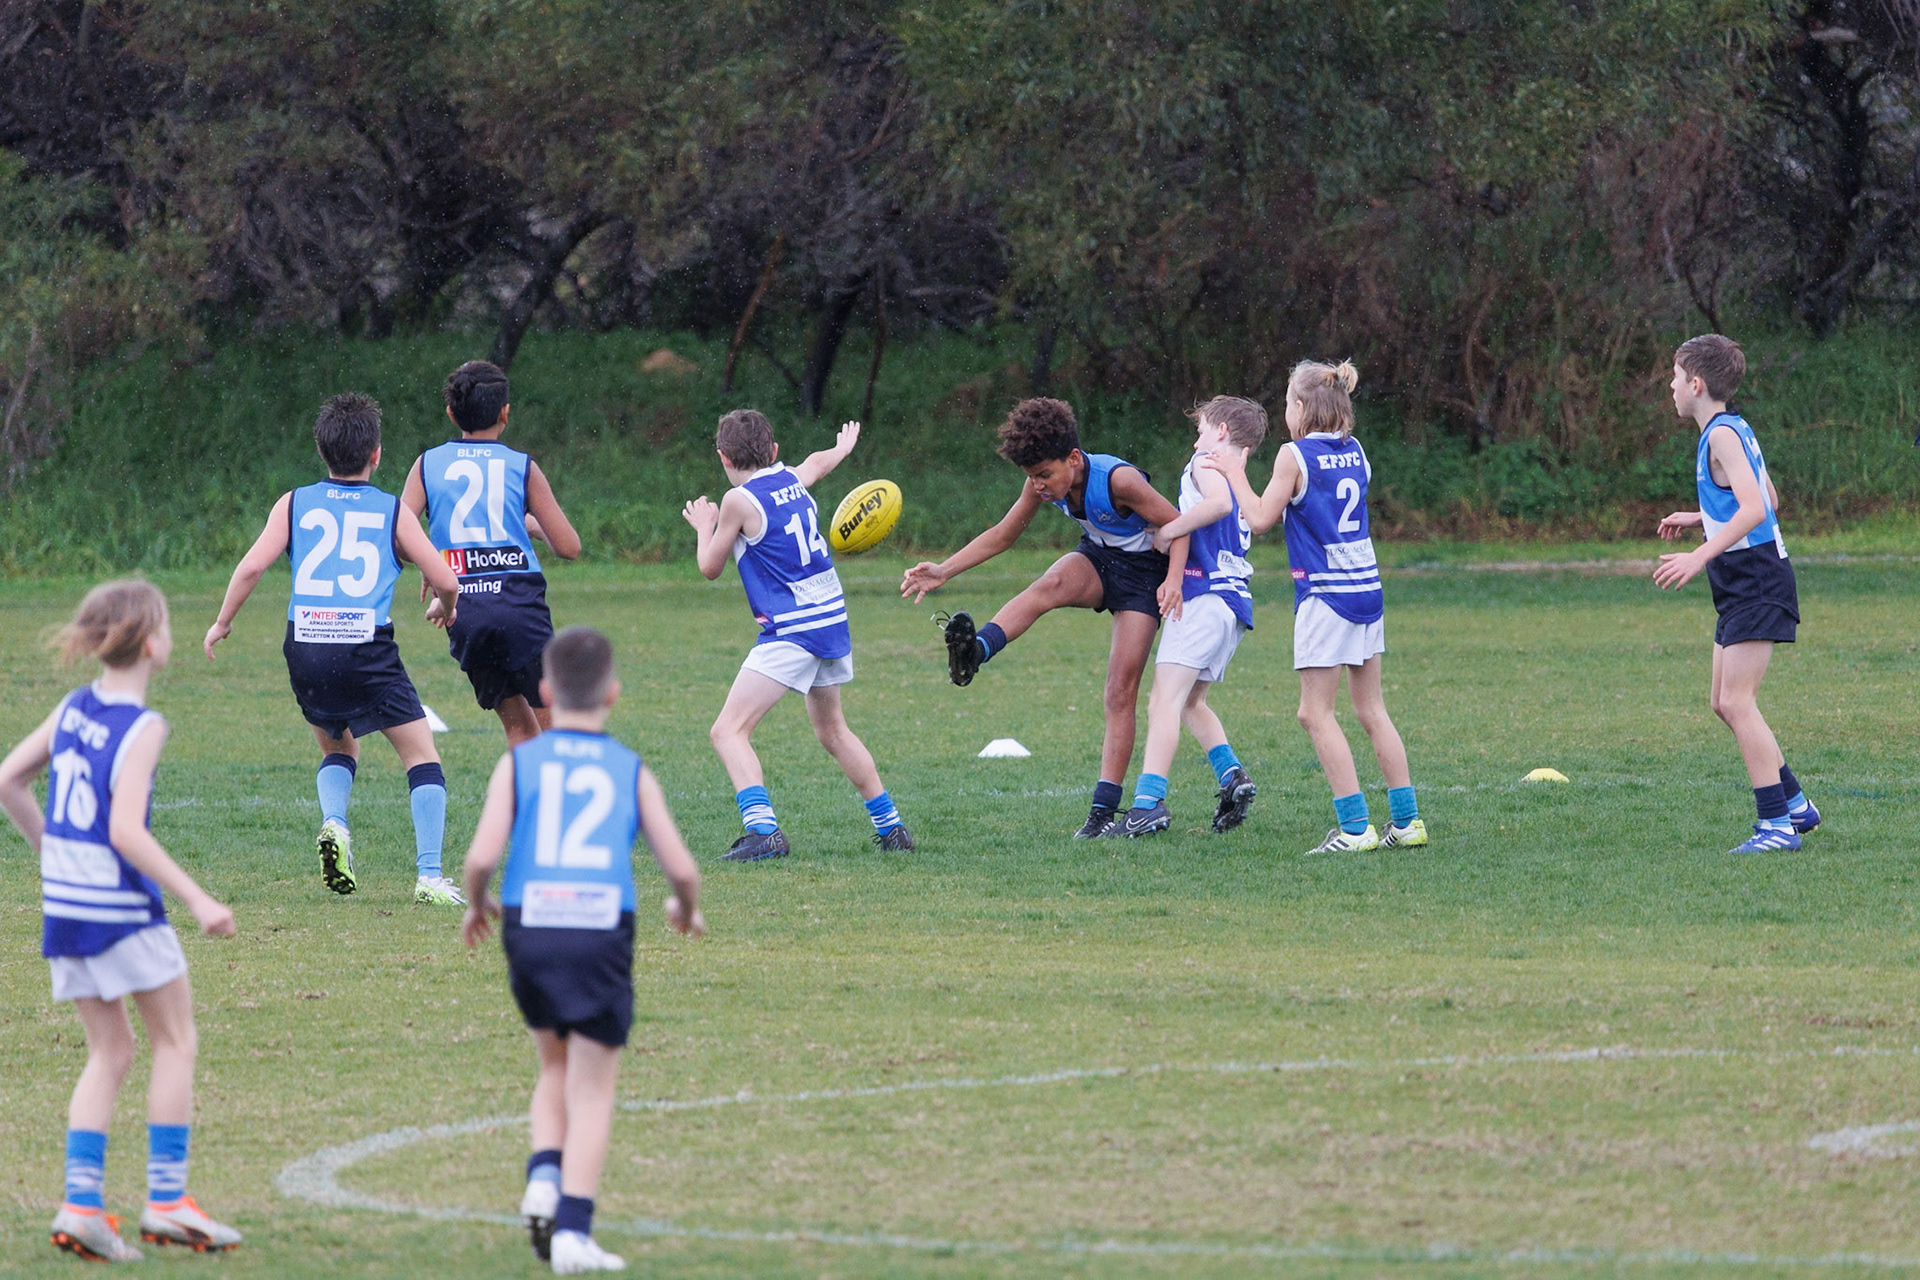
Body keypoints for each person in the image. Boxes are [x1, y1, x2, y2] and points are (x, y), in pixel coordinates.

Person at [0, 580, 241, 1262]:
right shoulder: (143, 726)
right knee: (175, 1041)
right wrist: (199, 900)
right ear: (152, 642)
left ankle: (81, 1206)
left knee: (109, 1053)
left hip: (67, 907)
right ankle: (166, 1201)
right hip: (119, 907)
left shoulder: (73, 708)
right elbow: (126, 832)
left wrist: (52, 853)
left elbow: (7, 780)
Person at [460, 626, 704, 1274]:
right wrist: (685, 908)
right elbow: (682, 869)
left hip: (530, 923)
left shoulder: (519, 763)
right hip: (600, 926)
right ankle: (573, 1231)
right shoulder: (629, 770)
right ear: (613, 694)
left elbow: (480, 858)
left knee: (553, 1065)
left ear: (545, 690)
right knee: (593, 1088)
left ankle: (544, 1178)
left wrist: (477, 903)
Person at [204, 391, 469, 904]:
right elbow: (445, 578)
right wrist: (447, 605)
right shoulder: (392, 510)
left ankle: (334, 823)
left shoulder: (294, 502)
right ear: (376, 454)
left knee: (340, 747)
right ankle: (430, 876)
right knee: (421, 755)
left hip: (305, 645)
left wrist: (223, 622)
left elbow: (253, 566)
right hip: (365, 648)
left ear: (321, 451)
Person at [900, 397, 1183, 838]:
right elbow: (1003, 535)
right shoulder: (1042, 482)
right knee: (1046, 586)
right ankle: (975, 653)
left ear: (1074, 458)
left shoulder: (1119, 481)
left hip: (1146, 578)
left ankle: (1102, 813)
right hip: (1100, 558)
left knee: (1119, 691)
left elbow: (1179, 524)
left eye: (1045, 475)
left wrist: (1176, 581)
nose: (1039, 485)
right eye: (1032, 476)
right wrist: (944, 570)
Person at [1206, 361, 1427, 855]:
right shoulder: (1356, 450)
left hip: (1326, 596)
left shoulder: (1294, 454)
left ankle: (1355, 829)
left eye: (1288, 402)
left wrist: (1235, 472)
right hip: (1367, 589)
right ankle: (1407, 822)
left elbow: (1259, 518)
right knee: (1372, 709)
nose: (1286, 411)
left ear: (1302, 407)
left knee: (1314, 713)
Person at [681, 410, 914, 860]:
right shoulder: (790, 478)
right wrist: (842, 449)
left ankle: (763, 832)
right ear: (773, 451)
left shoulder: (738, 501)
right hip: (830, 620)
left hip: (794, 629)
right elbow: (817, 464)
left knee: (728, 731)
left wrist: (704, 526)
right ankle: (892, 828)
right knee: (833, 731)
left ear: (723, 457)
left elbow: (709, 567)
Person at [1655, 333, 1818, 854]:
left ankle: (1776, 826)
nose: (1671, 386)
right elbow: (1767, 497)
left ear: (1696, 384)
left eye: (1675, 377)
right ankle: (1795, 806)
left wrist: (1698, 555)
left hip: (1756, 581)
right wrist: (1700, 516)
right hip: (1742, 583)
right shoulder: (1732, 427)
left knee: (1736, 701)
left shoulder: (1721, 435)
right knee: (1722, 702)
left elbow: (1756, 508)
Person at [402, 359, 582, 747]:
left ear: (452, 414)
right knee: (557, 731)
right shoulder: (520, 466)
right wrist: (532, 525)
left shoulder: (427, 464)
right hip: (520, 610)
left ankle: (524, 789)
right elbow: (569, 547)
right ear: (505, 413)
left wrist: (431, 562)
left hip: (467, 615)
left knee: (518, 729)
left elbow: (399, 536)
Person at [1107, 396, 1266, 837]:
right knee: (1192, 702)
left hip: (1204, 597)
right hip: (1233, 604)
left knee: (1163, 701)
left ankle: (1147, 806)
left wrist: (1170, 530)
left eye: (1201, 430)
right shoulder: (1240, 477)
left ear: (1221, 432)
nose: (1196, 441)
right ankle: (1232, 776)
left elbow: (1216, 506)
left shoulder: (1205, 462)